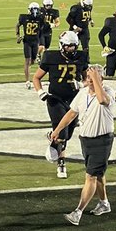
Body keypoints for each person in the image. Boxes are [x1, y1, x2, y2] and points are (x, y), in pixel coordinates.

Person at [48, 65, 115, 225]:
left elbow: (102, 100)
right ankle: (104, 203)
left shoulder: (109, 93)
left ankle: (78, 212)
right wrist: (57, 130)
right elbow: (72, 113)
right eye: (88, 79)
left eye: (94, 79)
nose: (90, 82)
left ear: (101, 80)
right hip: (86, 140)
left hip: (102, 140)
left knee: (90, 176)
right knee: (98, 174)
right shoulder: (83, 93)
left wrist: (97, 79)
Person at [33, 30, 88, 180]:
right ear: (62, 45)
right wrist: (40, 92)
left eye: (73, 46)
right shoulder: (51, 56)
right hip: (55, 99)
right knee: (63, 134)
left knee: (68, 134)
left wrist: (82, 84)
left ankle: (52, 136)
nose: (71, 49)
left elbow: (87, 79)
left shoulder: (81, 56)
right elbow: (36, 78)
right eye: (68, 46)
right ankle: (61, 163)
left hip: (74, 100)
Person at [16, 2, 43, 87]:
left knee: (32, 61)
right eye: (33, 9)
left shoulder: (40, 18)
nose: (35, 11)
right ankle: (27, 81)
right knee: (27, 60)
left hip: (35, 41)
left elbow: (41, 29)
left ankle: (27, 70)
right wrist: (18, 36)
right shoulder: (24, 18)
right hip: (27, 41)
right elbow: (17, 25)